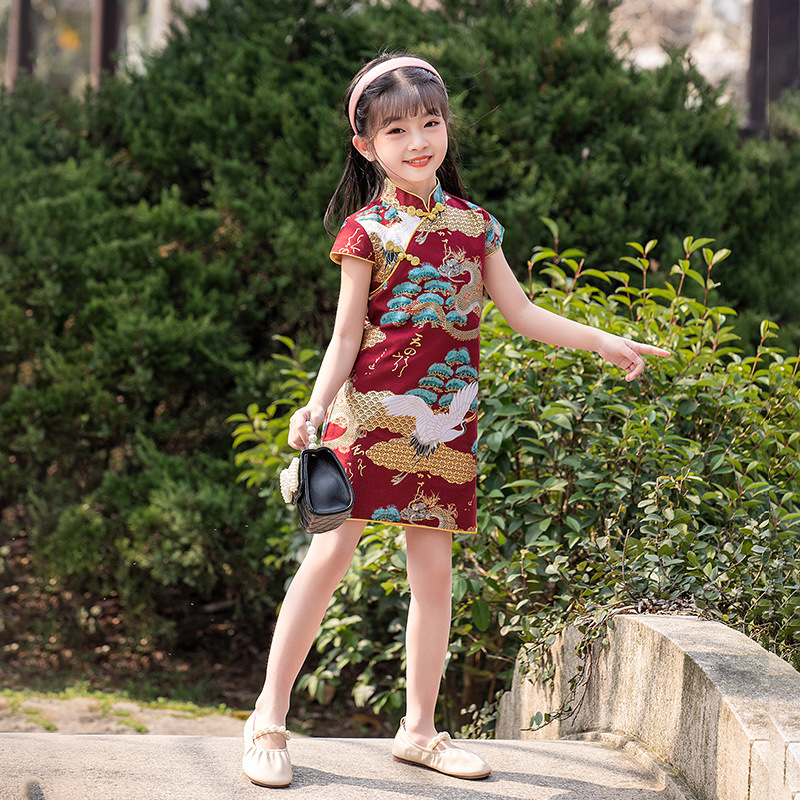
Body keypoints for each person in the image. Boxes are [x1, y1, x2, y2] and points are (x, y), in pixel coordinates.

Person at [242, 53, 670, 788]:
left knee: (434, 577)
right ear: (365, 146)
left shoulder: (477, 227)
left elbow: (522, 313)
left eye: (430, 123)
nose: (418, 141)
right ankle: (268, 719)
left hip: (446, 423)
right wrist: (314, 404)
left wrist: (602, 340)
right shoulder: (366, 231)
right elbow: (345, 337)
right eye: (397, 130)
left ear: (447, 128)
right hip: (365, 417)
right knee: (328, 560)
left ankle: (419, 731)